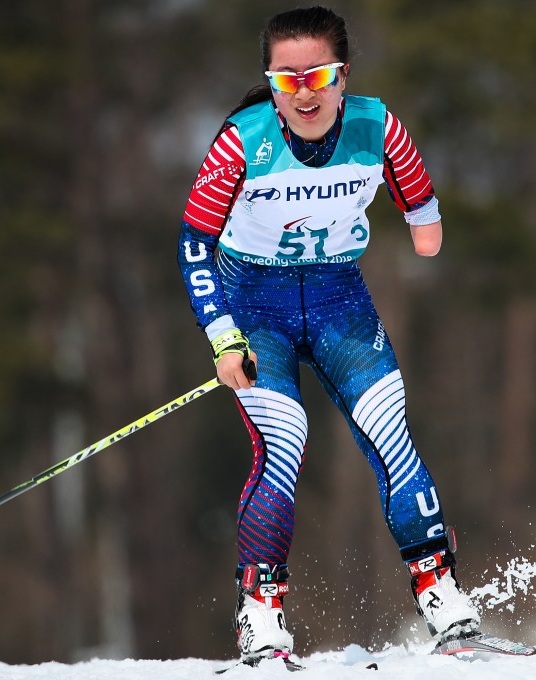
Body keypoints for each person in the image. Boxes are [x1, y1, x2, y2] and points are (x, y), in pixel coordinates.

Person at [177, 6, 480, 664]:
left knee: (387, 425)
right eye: (287, 80)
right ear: (271, 84)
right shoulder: (241, 139)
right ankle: (259, 610)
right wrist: (223, 336)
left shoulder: (376, 124)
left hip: (341, 299)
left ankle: (439, 586)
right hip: (256, 307)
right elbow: (194, 243)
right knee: (285, 438)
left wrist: (424, 227)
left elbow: (416, 191)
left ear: (344, 74)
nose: (304, 92)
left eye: (318, 74)